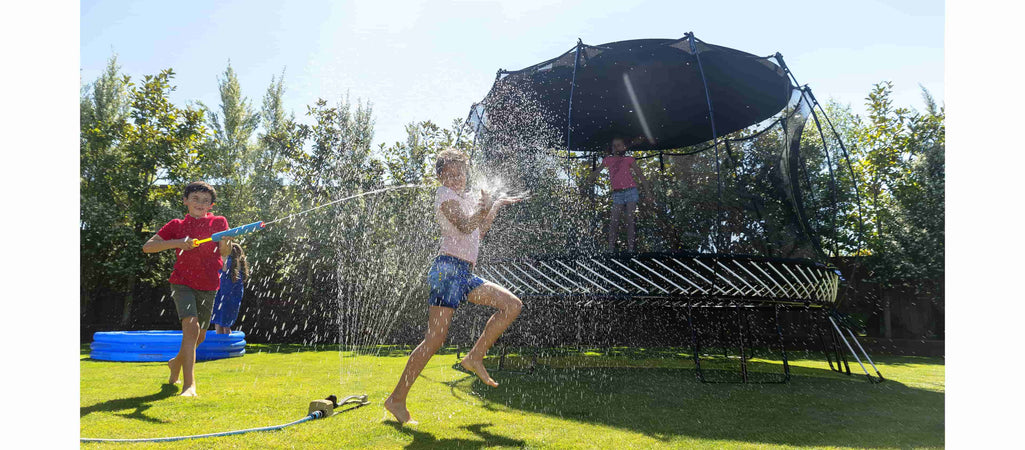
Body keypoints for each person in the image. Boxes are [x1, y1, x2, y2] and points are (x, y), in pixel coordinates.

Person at [384, 148, 524, 425]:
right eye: (450, 174)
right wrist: (482, 208)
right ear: (441, 177)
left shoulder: (466, 198)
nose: (457, 178)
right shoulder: (444, 196)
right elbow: (463, 226)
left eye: (460, 173)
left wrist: (494, 206)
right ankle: (396, 400)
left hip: (465, 274)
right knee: (434, 340)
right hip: (447, 271)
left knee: (512, 305)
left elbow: (479, 231)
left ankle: (475, 357)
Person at [142, 181, 232, 397]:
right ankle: (189, 385)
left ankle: (176, 363)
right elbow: (148, 247)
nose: (200, 203)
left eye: (206, 200)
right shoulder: (176, 225)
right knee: (191, 328)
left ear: (211, 205)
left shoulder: (219, 222)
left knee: (200, 336)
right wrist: (178, 242)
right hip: (182, 282)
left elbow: (224, 253)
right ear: (185, 201)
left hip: (209, 285)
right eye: (195, 199)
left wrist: (227, 241)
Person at [584, 136, 653, 253]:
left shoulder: (629, 159)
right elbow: (597, 171)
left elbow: (640, 175)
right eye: (614, 146)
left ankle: (631, 249)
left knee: (630, 220)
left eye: (619, 145)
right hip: (617, 193)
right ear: (611, 148)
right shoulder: (608, 160)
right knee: (614, 221)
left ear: (624, 147)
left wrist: (648, 193)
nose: (616, 148)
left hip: (630, 191)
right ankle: (611, 249)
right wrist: (588, 180)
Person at [211, 242, 248, 335]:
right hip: (232, 298)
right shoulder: (239, 266)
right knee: (226, 325)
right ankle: (228, 343)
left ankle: (220, 343)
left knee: (218, 324)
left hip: (221, 296)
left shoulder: (226, 261)